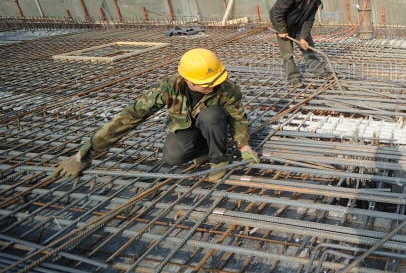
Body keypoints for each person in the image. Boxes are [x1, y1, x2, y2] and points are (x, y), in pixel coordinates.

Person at [53, 48, 259, 182]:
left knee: (212, 116)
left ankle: (218, 158)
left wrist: (244, 145)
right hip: (187, 129)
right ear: (188, 79)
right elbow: (131, 116)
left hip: (213, 125)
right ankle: (203, 151)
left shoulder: (226, 88)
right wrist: (84, 153)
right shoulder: (168, 88)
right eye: (207, 84)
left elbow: (238, 118)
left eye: (215, 81)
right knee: (173, 157)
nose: (212, 86)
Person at [269, 0, 331, 85]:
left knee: (308, 48)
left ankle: (318, 70)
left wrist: (303, 37)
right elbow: (276, 12)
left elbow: (309, 20)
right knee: (287, 55)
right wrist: (281, 30)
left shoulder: (316, 1)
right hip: (284, 26)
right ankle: (293, 79)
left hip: (299, 26)